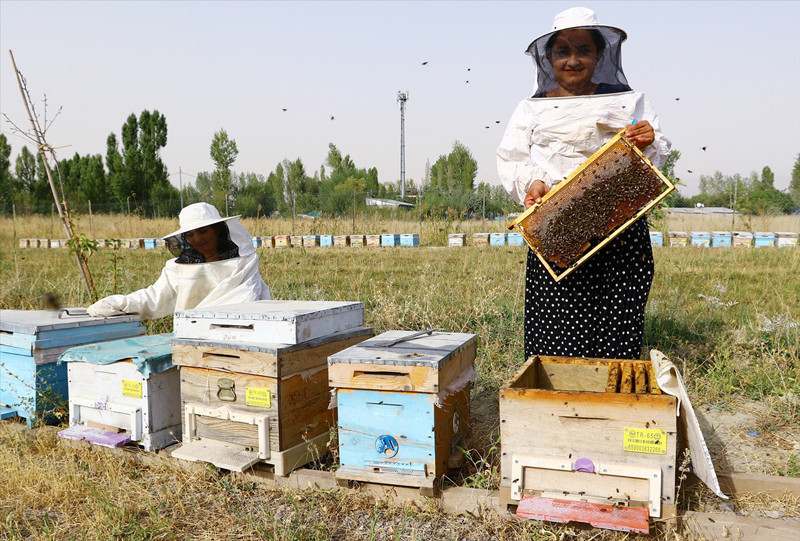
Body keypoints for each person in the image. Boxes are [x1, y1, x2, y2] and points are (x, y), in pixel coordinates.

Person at [497, 7, 671, 361]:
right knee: (555, 325)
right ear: (548, 57)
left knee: (617, 323)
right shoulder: (530, 110)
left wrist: (649, 138)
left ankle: (608, 400)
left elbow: (653, 156)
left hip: (620, 228)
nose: (573, 60)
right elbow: (512, 158)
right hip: (557, 224)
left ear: (600, 55)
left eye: (583, 51)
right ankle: (556, 398)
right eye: (563, 51)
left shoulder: (630, 100)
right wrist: (534, 183)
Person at [87, 202, 271, 320]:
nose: (197, 239)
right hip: (189, 338)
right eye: (190, 234)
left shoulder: (243, 263)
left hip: (238, 335)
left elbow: (247, 300)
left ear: (217, 229)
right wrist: (120, 303)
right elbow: (154, 297)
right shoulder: (178, 268)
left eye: (203, 231)